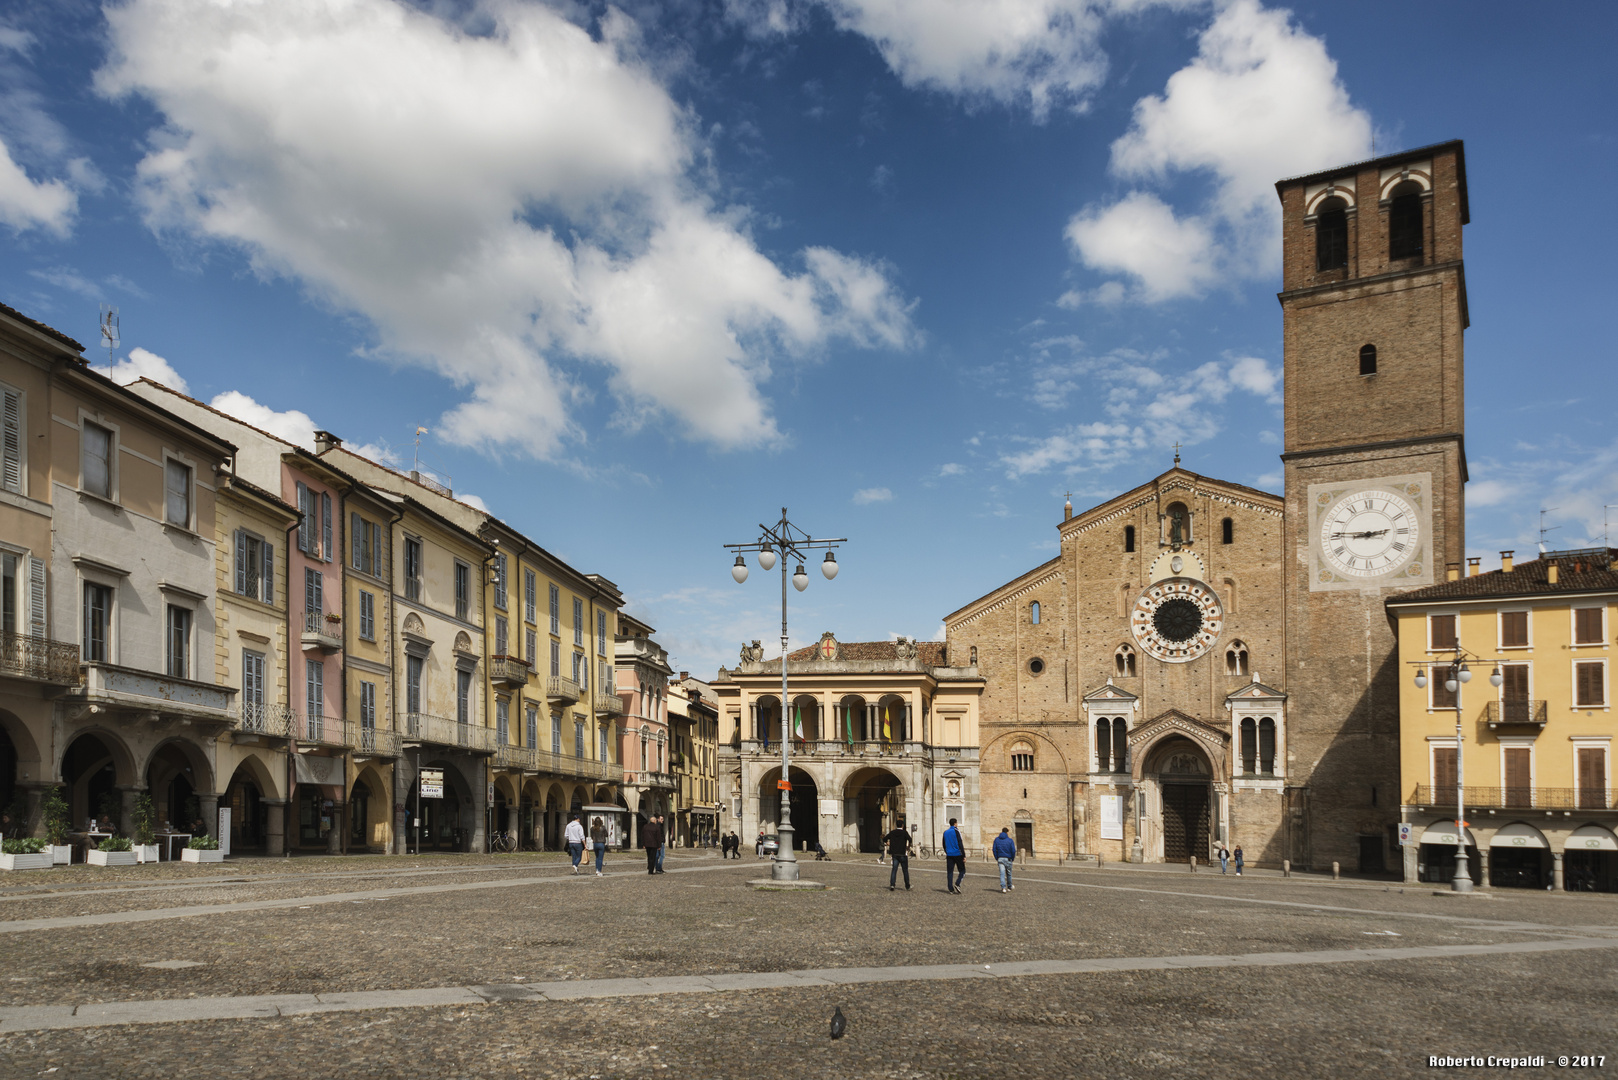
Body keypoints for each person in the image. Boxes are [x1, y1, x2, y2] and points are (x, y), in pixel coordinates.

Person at [885, 822, 913, 891]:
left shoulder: (892, 832)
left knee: (894, 870)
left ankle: (892, 885)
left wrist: (887, 843)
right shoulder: (904, 833)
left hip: (895, 854)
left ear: (896, 825)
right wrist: (908, 846)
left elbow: (884, 838)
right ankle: (907, 886)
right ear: (902, 826)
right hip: (902, 854)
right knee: (905, 871)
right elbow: (910, 839)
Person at [942, 818, 966, 893]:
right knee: (962, 870)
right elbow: (960, 843)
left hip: (949, 854)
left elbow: (944, 844)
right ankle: (957, 883)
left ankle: (950, 889)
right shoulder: (956, 831)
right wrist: (964, 855)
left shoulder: (945, 832)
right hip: (957, 854)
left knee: (950, 872)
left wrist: (947, 851)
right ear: (955, 823)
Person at [992, 827, 1017, 893]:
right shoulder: (1010, 840)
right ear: (1007, 832)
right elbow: (1013, 850)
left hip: (1000, 858)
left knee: (1002, 873)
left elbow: (994, 849)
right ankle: (1009, 886)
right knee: (1009, 873)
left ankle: (1003, 888)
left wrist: (997, 857)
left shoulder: (996, 840)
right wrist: (1012, 858)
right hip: (1008, 858)